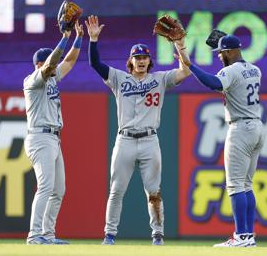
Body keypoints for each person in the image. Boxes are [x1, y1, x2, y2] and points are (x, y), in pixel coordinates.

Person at [85, 15, 190, 245]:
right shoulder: (118, 78)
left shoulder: (160, 79)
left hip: (150, 140)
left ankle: (158, 235)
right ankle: (109, 235)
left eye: (144, 57)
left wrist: (180, 47)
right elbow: (95, 64)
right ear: (130, 61)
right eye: (137, 57)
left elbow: (185, 72)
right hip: (125, 140)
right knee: (116, 190)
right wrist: (93, 40)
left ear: (149, 61)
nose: (141, 61)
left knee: (154, 191)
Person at [176, 34, 265, 247]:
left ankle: (241, 236)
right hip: (257, 126)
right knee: (246, 184)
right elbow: (230, 73)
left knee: (235, 185)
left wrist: (190, 65)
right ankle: (248, 236)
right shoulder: (255, 69)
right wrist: (225, 44)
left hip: (240, 128)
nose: (219, 57)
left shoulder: (231, 70)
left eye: (220, 53)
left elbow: (214, 83)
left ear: (229, 52)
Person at [23, 21, 84, 245]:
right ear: (39, 63)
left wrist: (78, 37)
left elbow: (69, 60)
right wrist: (64, 37)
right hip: (39, 137)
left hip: (53, 138)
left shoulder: (51, 78)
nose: (56, 64)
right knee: (46, 186)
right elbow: (51, 64)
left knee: (59, 189)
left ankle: (48, 234)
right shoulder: (33, 81)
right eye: (51, 61)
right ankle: (34, 234)